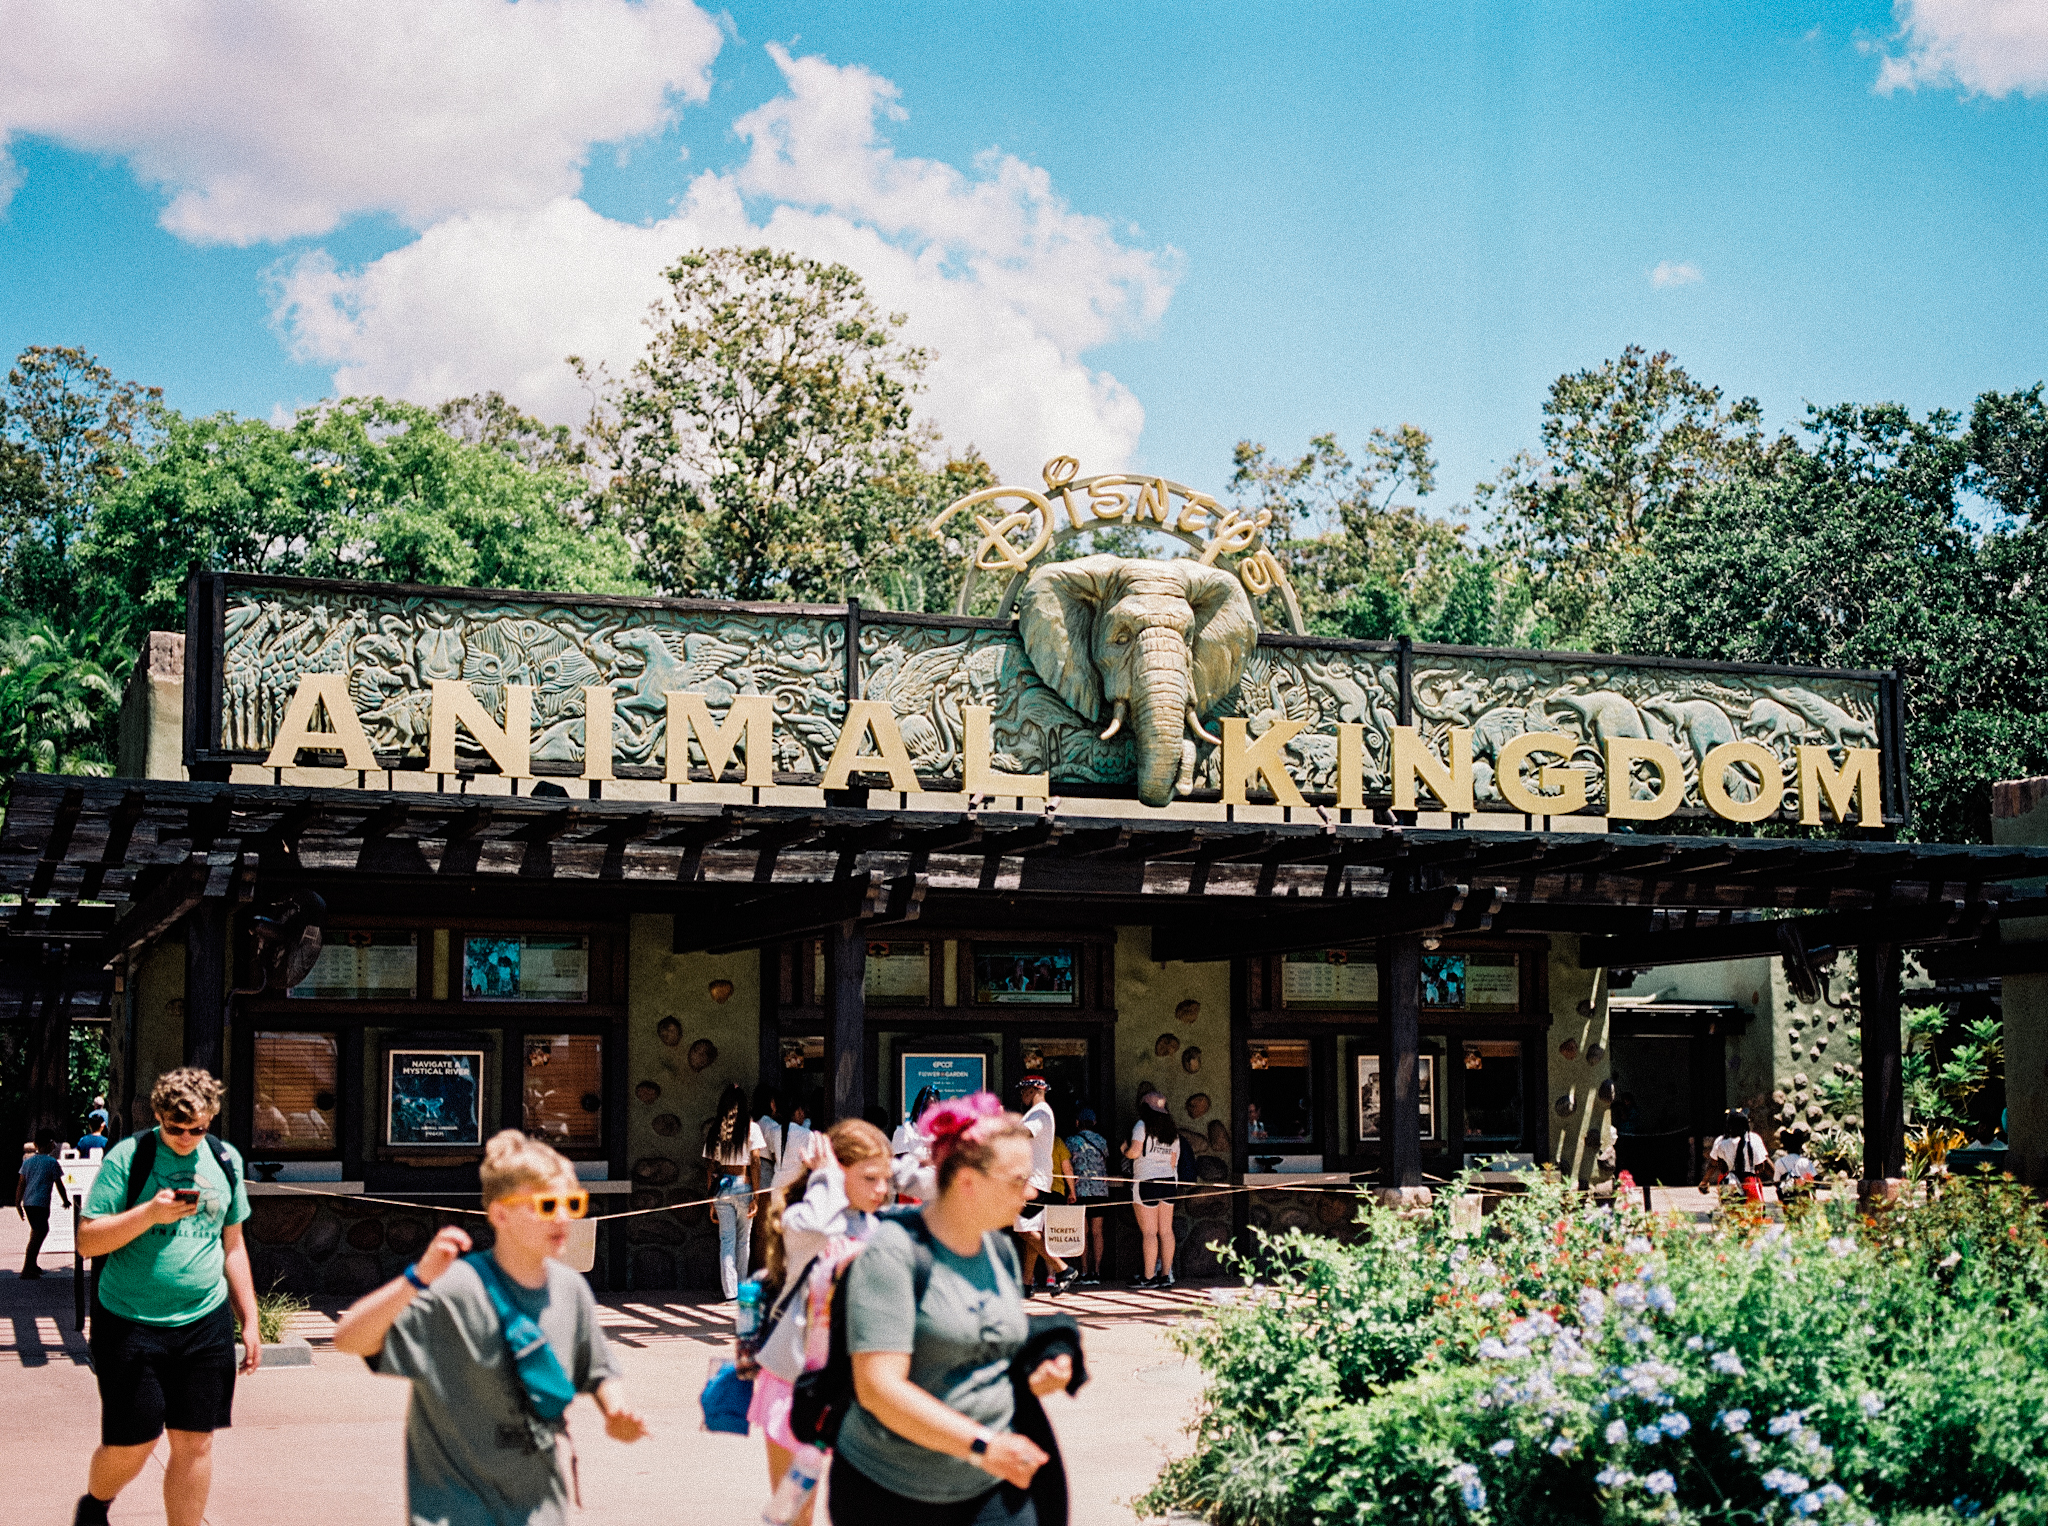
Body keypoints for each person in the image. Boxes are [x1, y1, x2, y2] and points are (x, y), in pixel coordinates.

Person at [333, 1129, 648, 1526]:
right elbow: (349, 1339)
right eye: (547, 1205)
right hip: (454, 1512)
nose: (564, 1217)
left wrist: (616, 1410)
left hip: (541, 1512)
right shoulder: (455, 1290)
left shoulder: (571, 1289)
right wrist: (417, 1278)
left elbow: (598, 1370)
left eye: (573, 1203)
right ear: (500, 1214)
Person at [833, 1093, 1076, 1526]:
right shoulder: (892, 1253)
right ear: (967, 1182)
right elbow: (877, 1389)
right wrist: (984, 1445)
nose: (1031, 1191)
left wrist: (1040, 1367)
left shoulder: (1000, 1249)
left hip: (991, 1486)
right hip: (892, 1493)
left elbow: (982, 1351)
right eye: (1016, 1179)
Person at [73, 1068, 258, 1526]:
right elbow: (88, 1240)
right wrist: (151, 1212)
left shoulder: (225, 1159)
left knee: (196, 1441)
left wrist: (249, 1319)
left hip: (204, 1322)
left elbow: (232, 1245)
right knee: (134, 1441)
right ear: (158, 1116)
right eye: (175, 1128)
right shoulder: (129, 1157)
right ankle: (95, 1504)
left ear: (211, 1120)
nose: (186, 1137)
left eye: (197, 1129)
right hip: (130, 1321)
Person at [749, 1118, 893, 1526]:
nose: (882, 1190)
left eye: (886, 1178)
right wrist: (824, 1179)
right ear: (838, 1172)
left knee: (865, 1507)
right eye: (870, 1178)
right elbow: (815, 1224)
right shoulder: (805, 1220)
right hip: (798, 1386)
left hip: (861, 1388)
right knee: (795, 1510)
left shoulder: (876, 1226)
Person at [704, 1082, 769, 1299]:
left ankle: (729, 1291)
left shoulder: (715, 1130)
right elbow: (756, 1163)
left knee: (727, 1241)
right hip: (744, 1184)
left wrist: (711, 1200)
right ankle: (741, 1289)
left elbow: (711, 1168)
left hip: (722, 1187)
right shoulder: (752, 1129)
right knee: (743, 1240)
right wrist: (756, 1196)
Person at [1012, 1076, 1074, 1297]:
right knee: (1032, 1230)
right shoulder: (1040, 1112)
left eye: (1023, 1091)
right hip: (1038, 1179)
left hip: (1034, 1181)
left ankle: (1063, 1269)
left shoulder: (1040, 1112)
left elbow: (1024, 1133)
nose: (1022, 1096)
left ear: (1032, 1091)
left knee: (1025, 1229)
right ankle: (1027, 1284)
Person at [1124, 1087, 1184, 1289]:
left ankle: (1148, 1277)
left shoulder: (1142, 1125)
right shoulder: (1172, 1130)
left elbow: (1134, 1152)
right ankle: (1165, 1275)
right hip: (1168, 1182)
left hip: (1146, 1182)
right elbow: (1174, 1160)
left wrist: (1123, 1149)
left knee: (1149, 1232)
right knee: (1166, 1231)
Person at [1061, 1108, 1109, 1286]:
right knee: (1098, 1232)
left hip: (1080, 1191)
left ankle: (1084, 1271)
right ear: (1094, 1123)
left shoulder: (1071, 1141)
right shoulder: (1102, 1141)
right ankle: (1096, 1271)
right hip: (1099, 1190)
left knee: (1083, 1232)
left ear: (1077, 1123)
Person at [17, 1131, 71, 1278]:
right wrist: (65, 1200)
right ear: (49, 1144)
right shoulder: (52, 1162)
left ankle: (32, 1265)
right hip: (40, 1203)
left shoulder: (28, 1162)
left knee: (37, 1231)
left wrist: (18, 1203)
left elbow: (21, 1184)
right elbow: (59, 1184)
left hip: (29, 1203)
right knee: (39, 1233)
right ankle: (27, 1268)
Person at [1704, 1109, 1772, 1202]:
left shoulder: (1721, 1143)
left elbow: (1719, 1166)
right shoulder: (1753, 1139)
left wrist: (1705, 1181)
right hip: (1749, 1182)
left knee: (1732, 1213)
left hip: (1730, 1183)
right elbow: (1762, 1164)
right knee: (1754, 1212)